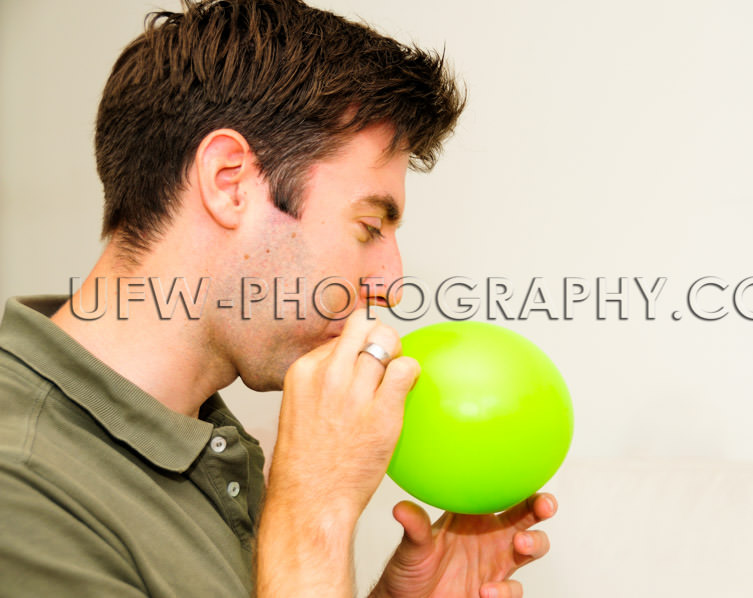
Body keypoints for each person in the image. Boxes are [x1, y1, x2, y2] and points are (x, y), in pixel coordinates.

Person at [0, 1, 557, 597]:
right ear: (229, 182)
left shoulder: (204, 445)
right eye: (369, 226)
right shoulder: (22, 485)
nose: (391, 284)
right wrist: (313, 514)